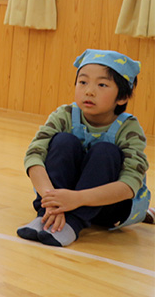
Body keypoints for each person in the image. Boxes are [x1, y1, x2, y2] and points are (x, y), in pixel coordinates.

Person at [17, 49, 150, 247]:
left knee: (106, 151)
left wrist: (77, 199)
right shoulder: (64, 115)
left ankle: (72, 223)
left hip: (106, 209)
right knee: (63, 141)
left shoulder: (129, 129)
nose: (89, 91)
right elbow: (34, 156)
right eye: (83, 82)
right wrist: (52, 200)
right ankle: (46, 217)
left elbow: (130, 184)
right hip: (58, 201)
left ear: (122, 97)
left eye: (102, 85)